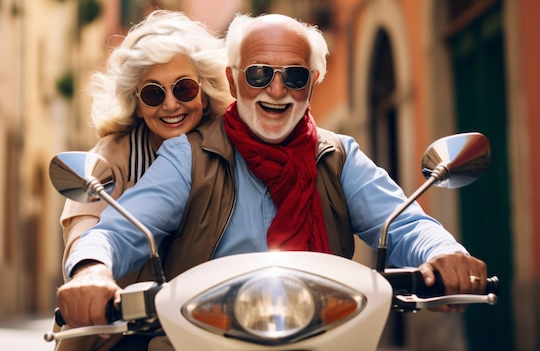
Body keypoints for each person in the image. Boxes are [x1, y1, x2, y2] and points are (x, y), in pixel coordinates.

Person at [57, 12, 488, 350]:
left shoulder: (338, 156)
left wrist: (445, 251)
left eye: (295, 76)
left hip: (327, 334)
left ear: (313, 85)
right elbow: (119, 229)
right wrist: (91, 269)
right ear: (233, 79)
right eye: (259, 74)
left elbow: (404, 221)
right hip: (205, 339)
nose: (277, 90)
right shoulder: (186, 154)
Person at [53, 9, 234, 351]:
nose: (170, 104)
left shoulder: (231, 146)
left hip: (216, 328)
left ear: (204, 93)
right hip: (124, 329)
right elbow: (86, 231)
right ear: (135, 104)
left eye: (184, 89)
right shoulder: (108, 159)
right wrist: (91, 272)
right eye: (153, 93)